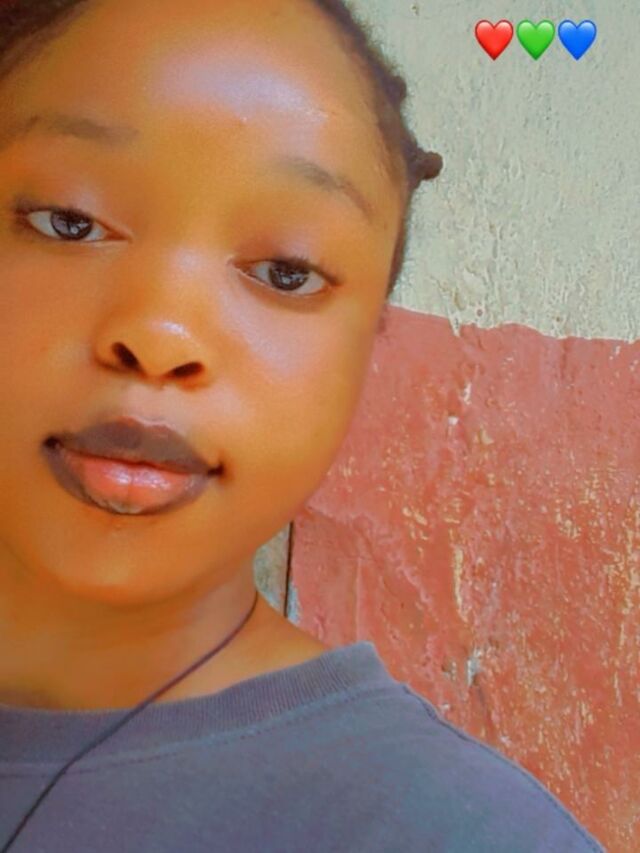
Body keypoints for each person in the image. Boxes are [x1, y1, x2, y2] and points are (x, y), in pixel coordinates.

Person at [0, 1, 604, 850]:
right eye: (70, 222)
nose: (160, 335)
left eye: (286, 272)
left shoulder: (457, 831)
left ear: (366, 346)